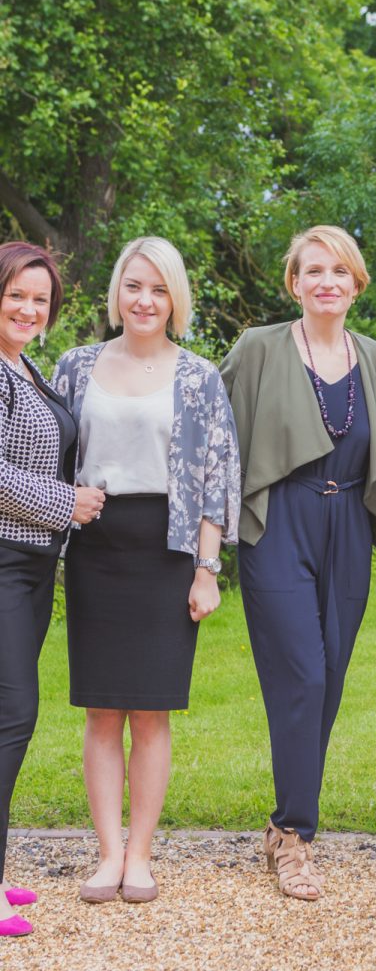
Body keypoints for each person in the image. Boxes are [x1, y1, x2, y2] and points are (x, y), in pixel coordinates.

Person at [54, 237, 240, 904]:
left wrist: (206, 569)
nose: (144, 300)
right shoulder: (75, 366)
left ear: (174, 299)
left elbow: (217, 478)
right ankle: (108, 854)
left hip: (168, 552)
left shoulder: (199, 377)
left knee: (153, 713)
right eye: (134, 285)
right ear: (117, 292)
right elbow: (50, 458)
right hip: (96, 549)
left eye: (159, 289)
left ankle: (140, 855)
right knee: (103, 711)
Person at [220, 225, 376, 901]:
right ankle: (295, 837)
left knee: (330, 680)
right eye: (313, 271)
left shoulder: (373, 356)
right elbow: (215, 435)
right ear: (294, 283)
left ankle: (283, 821)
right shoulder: (259, 348)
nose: (327, 282)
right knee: (303, 675)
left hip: (347, 520)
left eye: (340, 271)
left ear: (357, 284)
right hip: (279, 522)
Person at [0, 243, 104, 937]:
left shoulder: (25, 367)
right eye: (16, 294)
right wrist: (67, 502)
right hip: (3, 562)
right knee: (11, 715)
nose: (29, 309)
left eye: (41, 300)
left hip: (30, 566)